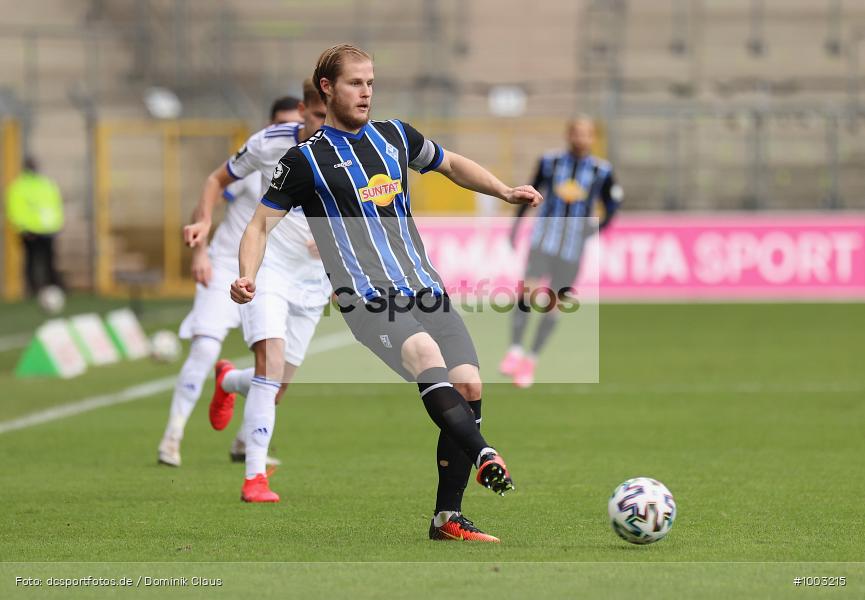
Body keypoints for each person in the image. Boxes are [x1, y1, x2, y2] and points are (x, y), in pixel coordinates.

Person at [230, 44, 542, 542]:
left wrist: (503, 191)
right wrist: (247, 274)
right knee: (424, 356)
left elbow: (451, 164)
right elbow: (258, 226)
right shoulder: (304, 161)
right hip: (365, 296)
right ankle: (484, 454)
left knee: (469, 387)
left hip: (423, 285)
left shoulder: (395, 136)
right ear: (327, 88)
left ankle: (447, 519)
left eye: (371, 82)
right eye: (356, 83)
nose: (366, 92)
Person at [185, 80, 330, 503]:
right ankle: (254, 478)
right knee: (269, 365)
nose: (326, 126)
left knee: (278, 384)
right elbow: (216, 179)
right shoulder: (270, 143)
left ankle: (229, 381)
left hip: (313, 280)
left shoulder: (350, 149)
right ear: (304, 110)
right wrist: (204, 222)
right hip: (267, 268)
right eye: (320, 116)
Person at [157, 95, 313, 468]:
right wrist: (200, 253)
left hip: (275, 271)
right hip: (228, 262)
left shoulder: (315, 166)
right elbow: (211, 189)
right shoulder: (256, 163)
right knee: (206, 348)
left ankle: (245, 440)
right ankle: (172, 437)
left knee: (280, 373)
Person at [500, 117, 623, 388]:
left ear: (593, 138)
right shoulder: (550, 162)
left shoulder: (601, 171)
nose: (581, 139)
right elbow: (527, 193)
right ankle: (515, 350)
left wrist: (597, 227)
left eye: (587, 134)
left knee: (553, 305)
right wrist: (515, 227)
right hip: (544, 241)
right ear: (568, 135)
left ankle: (530, 360)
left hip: (572, 250)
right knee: (528, 292)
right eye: (577, 133)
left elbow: (613, 203)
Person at [5, 156, 64, 295]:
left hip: (47, 230)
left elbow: (55, 206)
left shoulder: (46, 184)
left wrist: (57, 225)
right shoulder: (19, 186)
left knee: (48, 260)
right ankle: (33, 290)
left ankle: (52, 288)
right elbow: (14, 210)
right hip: (31, 231)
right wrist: (23, 228)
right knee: (31, 261)